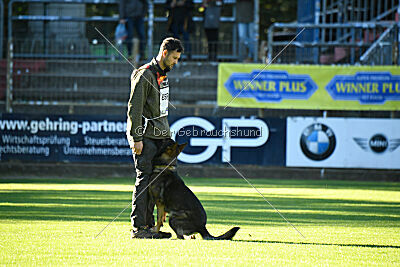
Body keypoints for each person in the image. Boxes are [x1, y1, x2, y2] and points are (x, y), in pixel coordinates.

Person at [126, 37, 183, 239]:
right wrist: (136, 138)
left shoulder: (162, 76)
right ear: (164, 52)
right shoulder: (144, 75)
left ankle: (151, 227)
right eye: (175, 57)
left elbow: (161, 110)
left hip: (161, 137)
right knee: (143, 180)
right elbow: (134, 109)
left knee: (156, 183)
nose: (176, 62)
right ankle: (139, 228)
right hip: (146, 138)